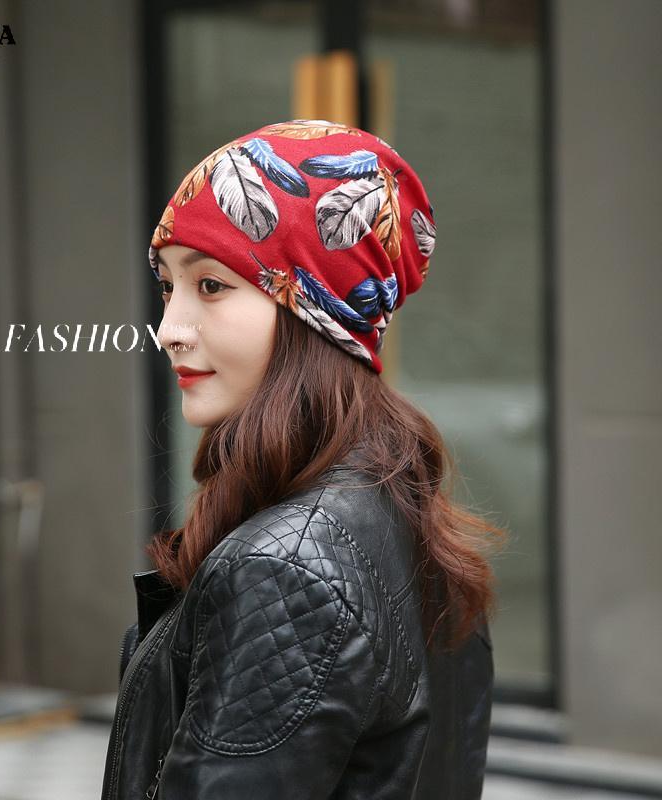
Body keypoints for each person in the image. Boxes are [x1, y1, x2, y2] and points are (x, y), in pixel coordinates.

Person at [101, 119, 504, 800]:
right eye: (168, 286)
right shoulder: (406, 508)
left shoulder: (285, 567)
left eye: (211, 286)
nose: (168, 329)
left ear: (315, 309)